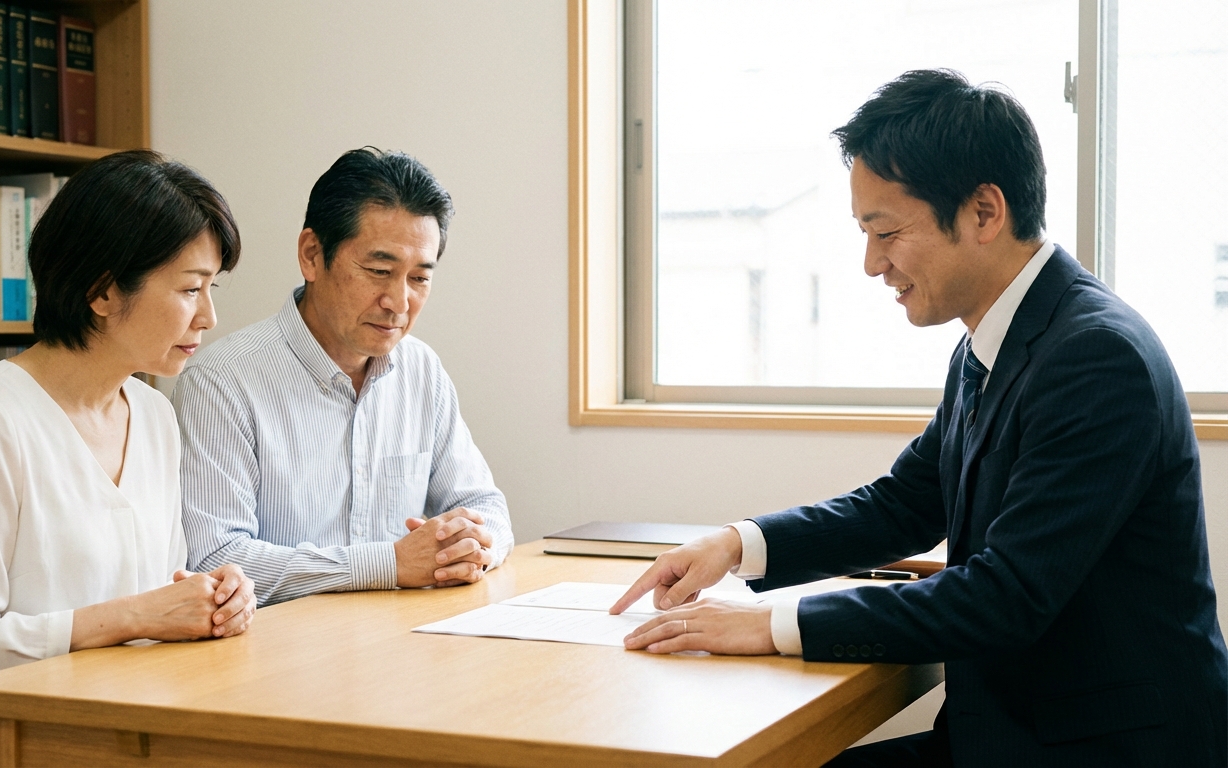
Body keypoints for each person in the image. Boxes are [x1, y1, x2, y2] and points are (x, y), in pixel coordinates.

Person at [611, 70, 1226, 767]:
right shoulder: (995, 339)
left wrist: (770, 625)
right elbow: (904, 503)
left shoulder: (1096, 357)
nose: (872, 263)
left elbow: (1005, 596)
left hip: (1102, 748)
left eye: (887, 232)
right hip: (1011, 731)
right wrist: (737, 544)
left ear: (984, 212)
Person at [0, 150, 255, 767]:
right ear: (102, 290)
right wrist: (135, 616)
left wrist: (210, 599)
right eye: (189, 289)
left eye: (211, 288)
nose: (209, 316)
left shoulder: (154, 415)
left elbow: (160, 591)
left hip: (102, 715)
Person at [176, 147, 513, 605]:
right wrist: (389, 564)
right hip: (281, 645)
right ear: (312, 255)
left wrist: (471, 547)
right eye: (379, 271)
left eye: (419, 278)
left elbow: (486, 508)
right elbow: (215, 557)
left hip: (401, 634)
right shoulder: (221, 382)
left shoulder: (421, 370)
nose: (399, 302)